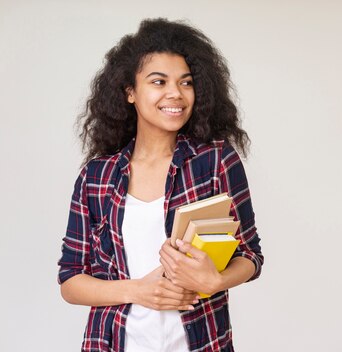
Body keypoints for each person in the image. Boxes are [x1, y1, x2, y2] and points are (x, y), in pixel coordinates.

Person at [57, 18, 263, 352]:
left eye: (186, 82)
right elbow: (70, 280)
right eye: (159, 81)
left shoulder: (214, 162)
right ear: (130, 92)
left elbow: (250, 254)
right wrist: (137, 290)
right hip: (113, 343)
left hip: (201, 342)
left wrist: (216, 280)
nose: (175, 94)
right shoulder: (96, 177)